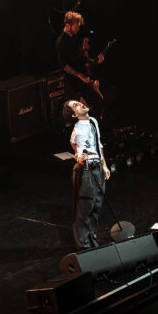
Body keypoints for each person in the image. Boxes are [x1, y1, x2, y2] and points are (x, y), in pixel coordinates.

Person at [65, 99, 110, 249]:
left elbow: (99, 144)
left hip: (98, 167)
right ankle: (84, 244)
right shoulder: (78, 130)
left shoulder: (93, 121)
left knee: (97, 203)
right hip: (86, 170)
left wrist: (104, 165)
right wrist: (80, 158)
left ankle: (92, 235)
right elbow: (78, 151)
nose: (80, 103)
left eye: (78, 102)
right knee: (85, 207)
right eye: (75, 105)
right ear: (74, 115)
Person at [56, 11, 106, 117]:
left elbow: (82, 59)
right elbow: (65, 66)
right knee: (88, 110)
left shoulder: (75, 39)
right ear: (68, 25)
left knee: (99, 102)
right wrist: (80, 75)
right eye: (77, 26)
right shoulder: (61, 42)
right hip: (73, 83)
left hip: (83, 80)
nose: (78, 28)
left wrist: (95, 61)